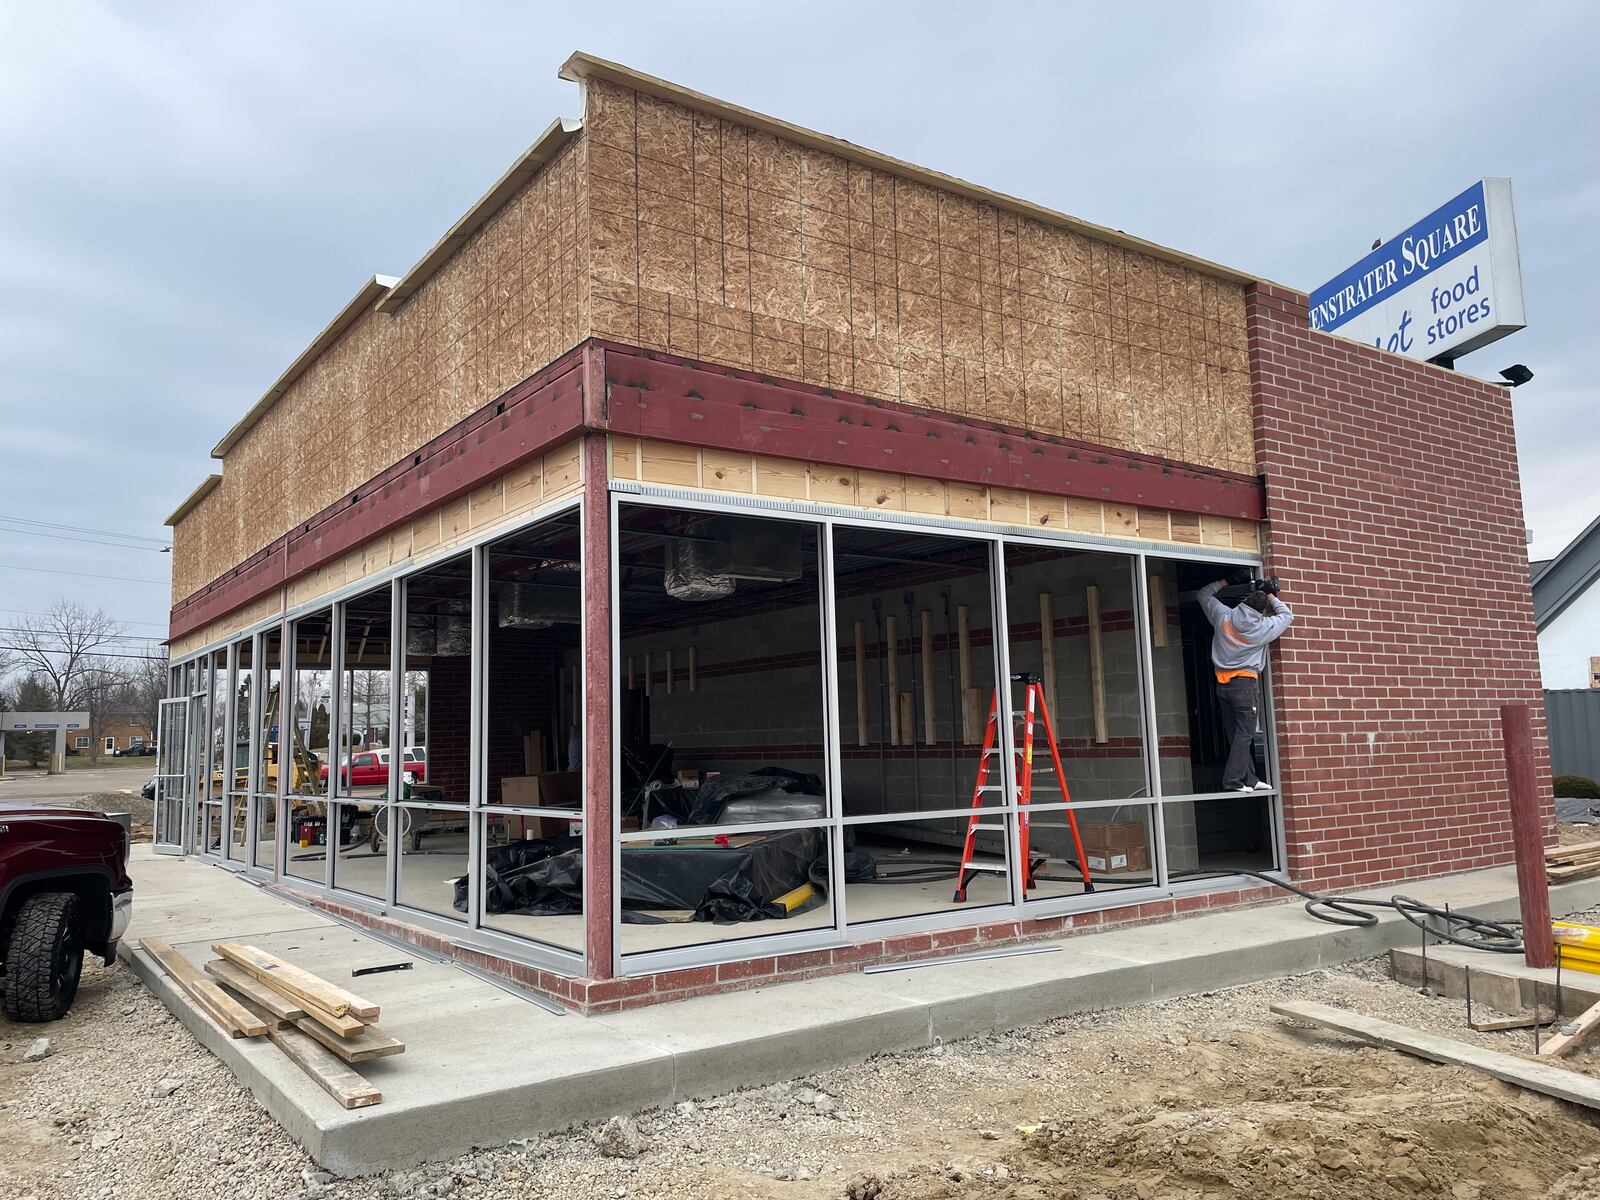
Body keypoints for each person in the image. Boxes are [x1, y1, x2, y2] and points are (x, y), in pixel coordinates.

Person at [1197, 572, 1293, 792]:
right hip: (1244, 685)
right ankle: (1233, 780)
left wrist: (1228, 580)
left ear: (1243, 602)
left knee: (1236, 735)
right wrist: (1270, 595)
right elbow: (1287, 615)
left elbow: (1203, 594)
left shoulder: (1224, 616)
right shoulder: (1263, 628)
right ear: (1261, 612)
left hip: (1222, 684)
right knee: (1245, 733)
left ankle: (1249, 779)